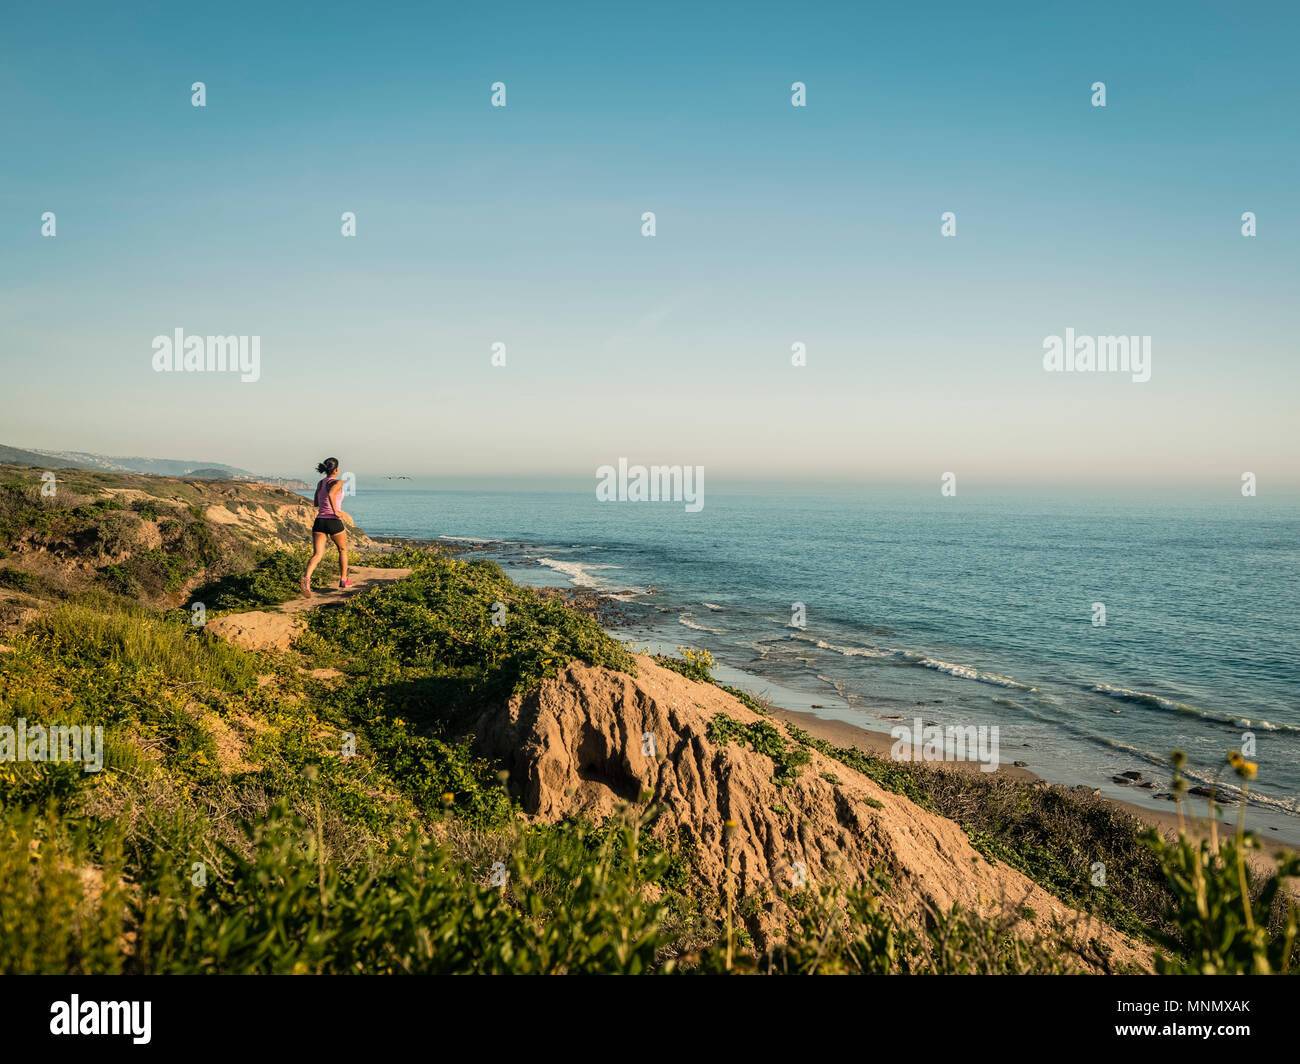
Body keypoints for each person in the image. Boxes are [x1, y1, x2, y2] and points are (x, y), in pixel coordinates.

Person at [302, 458, 353, 596]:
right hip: (333, 521)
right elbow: (331, 494)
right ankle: (343, 580)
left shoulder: (320, 483)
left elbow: (316, 502)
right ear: (336, 469)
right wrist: (336, 510)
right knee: (342, 549)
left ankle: (306, 579)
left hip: (320, 521)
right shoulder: (338, 482)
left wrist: (324, 501)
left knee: (317, 554)